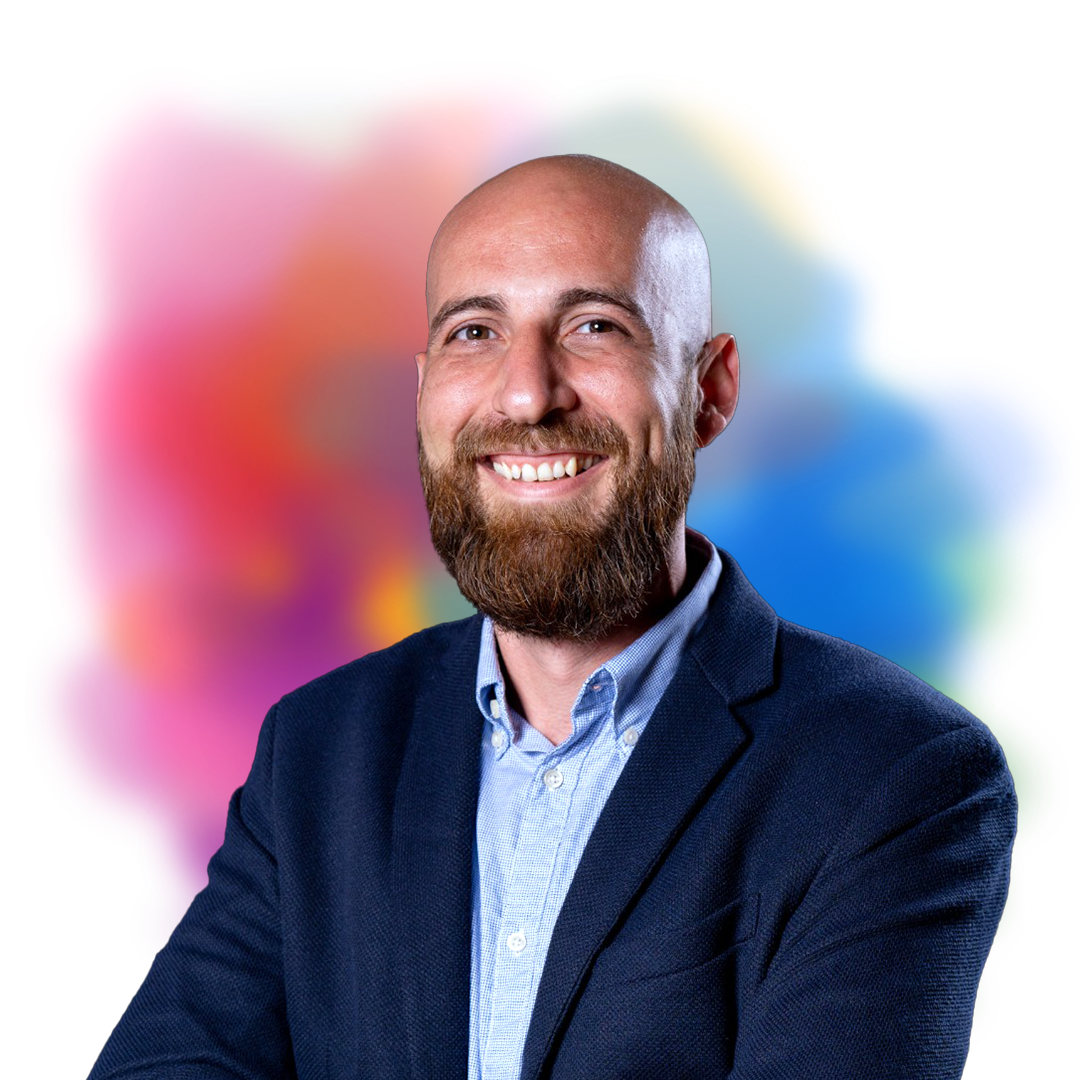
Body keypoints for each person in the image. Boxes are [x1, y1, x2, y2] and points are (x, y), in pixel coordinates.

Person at [88, 154, 1017, 1080]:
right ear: (424, 392)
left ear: (709, 390)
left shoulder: (895, 774)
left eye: (595, 326)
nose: (528, 394)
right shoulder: (319, 749)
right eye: (475, 332)